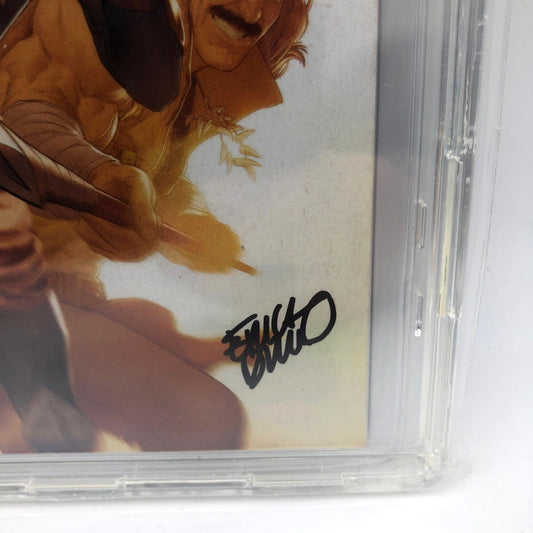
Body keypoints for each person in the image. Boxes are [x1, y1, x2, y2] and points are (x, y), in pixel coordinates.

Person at [0, 0, 311, 452]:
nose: (253, 8)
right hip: (17, 291)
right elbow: (25, 121)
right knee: (200, 421)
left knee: (204, 416)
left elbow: (156, 176)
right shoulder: (101, 17)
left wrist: (190, 221)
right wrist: (98, 179)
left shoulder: (197, 71)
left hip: (66, 298)